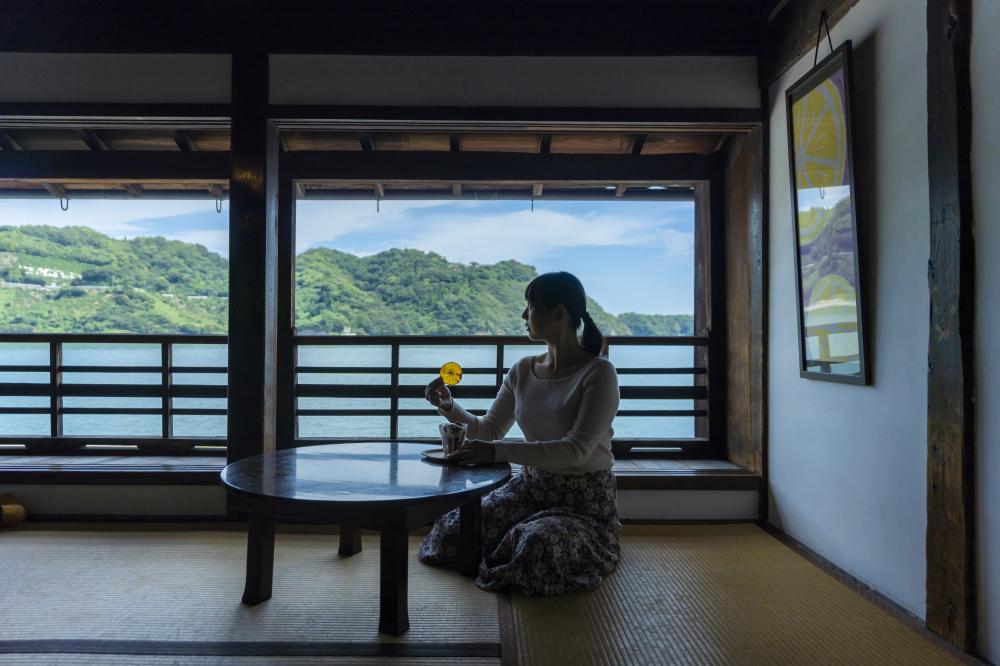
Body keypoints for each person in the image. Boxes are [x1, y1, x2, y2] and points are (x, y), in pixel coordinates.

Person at [418, 271, 621, 596]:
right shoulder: (523, 370)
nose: (524, 316)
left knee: (536, 546)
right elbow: (488, 429)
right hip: (530, 488)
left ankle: (526, 539)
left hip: (583, 503)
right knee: (453, 530)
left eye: (531, 307)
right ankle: (512, 538)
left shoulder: (598, 373)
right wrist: (449, 407)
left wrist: (498, 451)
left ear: (559, 313)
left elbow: (576, 450)